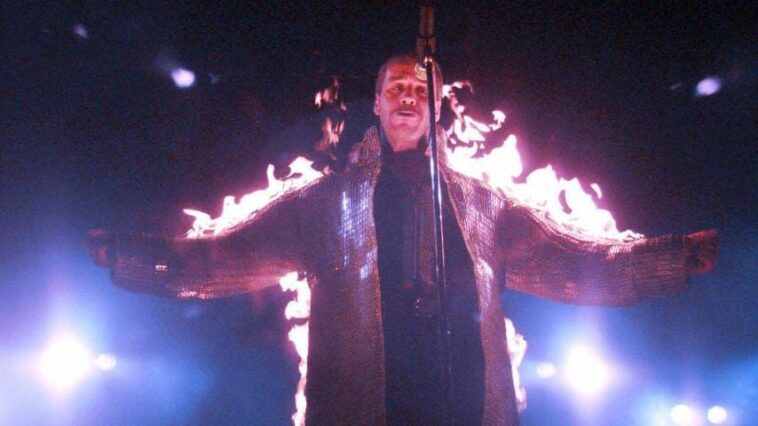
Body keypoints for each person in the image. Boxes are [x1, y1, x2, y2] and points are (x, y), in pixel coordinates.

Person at [88, 53, 718, 425]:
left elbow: (575, 266)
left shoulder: (485, 201)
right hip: (362, 410)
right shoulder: (324, 202)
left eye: (421, 90)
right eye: (396, 89)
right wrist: (134, 257)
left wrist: (671, 260)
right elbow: (224, 258)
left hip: (464, 408)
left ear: (437, 106)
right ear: (378, 105)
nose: (409, 98)